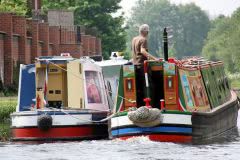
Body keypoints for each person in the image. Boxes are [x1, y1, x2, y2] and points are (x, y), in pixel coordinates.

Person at [131, 24, 157, 107]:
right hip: (143, 66)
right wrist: (154, 59)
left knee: (138, 87)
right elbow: (142, 51)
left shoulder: (134, 39)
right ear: (146, 32)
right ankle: (149, 106)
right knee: (148, 86)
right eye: (148, 31)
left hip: (135, 66)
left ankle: (138, 105)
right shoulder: (143, 40)